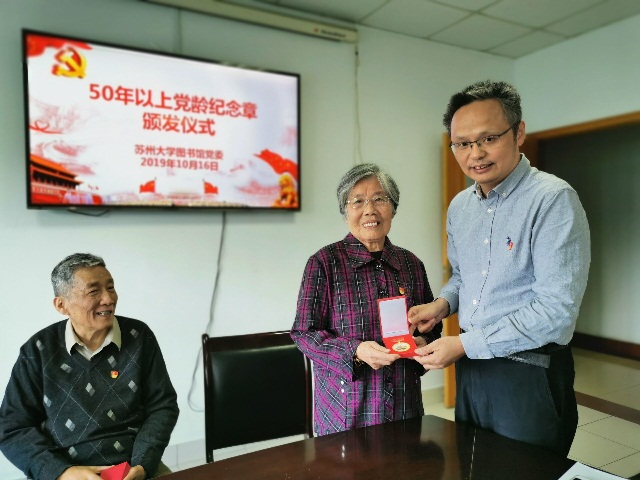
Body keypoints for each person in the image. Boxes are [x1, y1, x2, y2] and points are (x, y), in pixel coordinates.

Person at [408, 80, 591, 456]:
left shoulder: (552, 199)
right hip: (473, 367)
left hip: (529, 368)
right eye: (462, 143)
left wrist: (462, 344)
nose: (475, 153)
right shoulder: (460, 206)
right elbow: (464, 276)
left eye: (488, 138)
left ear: (518, 132)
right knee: (474, 464)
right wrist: (442, 305)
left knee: (525, 470)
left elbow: (555, 310)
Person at [291, 163, 441, 436]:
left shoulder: (411, 264)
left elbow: (432, 326)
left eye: (379, 199)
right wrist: (356, 351)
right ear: (345, 212)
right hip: (346, 411)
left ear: (393, 208)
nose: (369, 210)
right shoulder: (324, 263)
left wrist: (424, 342)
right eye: (357, 201)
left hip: (404, 404)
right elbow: (304, 334)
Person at [0, 253, 179, 480]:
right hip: (65, 470)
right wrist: (61, 472)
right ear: (62, 305)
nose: (108, 299)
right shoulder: (38, 349)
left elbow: (162, 405)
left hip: (132, 465)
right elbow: (12, 428)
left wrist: (144, 463)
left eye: (111, 288)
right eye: (94, 291)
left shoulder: (139, 336)